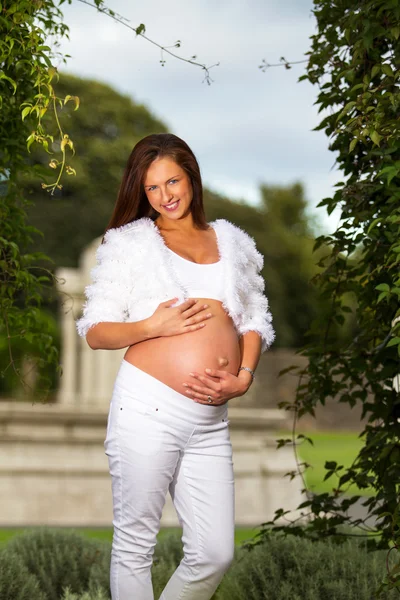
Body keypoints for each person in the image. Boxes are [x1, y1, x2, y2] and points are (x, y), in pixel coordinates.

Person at [76, 133, 275, 600]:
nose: (165, 196)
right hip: (147, 409)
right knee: (135, 545)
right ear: (140, 193)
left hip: (210, 421)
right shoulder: (131, 243)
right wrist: (152, 325)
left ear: (192, 178)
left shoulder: (231, 240)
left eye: (173, 181)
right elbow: (95, 330)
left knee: (214, 553)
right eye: (152, 188)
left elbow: (255, 318)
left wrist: (243, 376)